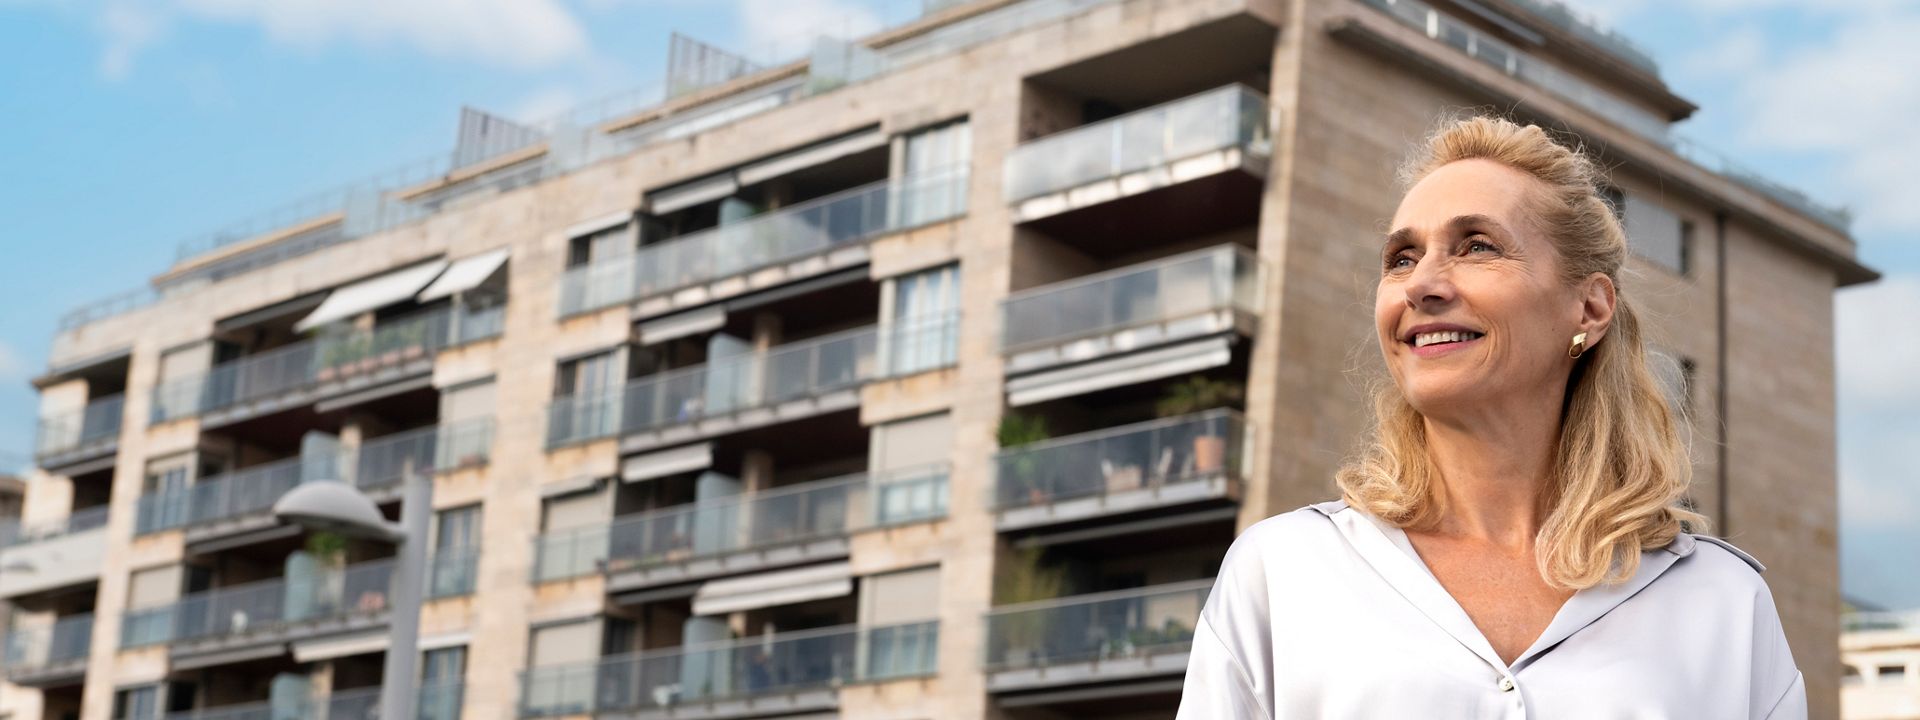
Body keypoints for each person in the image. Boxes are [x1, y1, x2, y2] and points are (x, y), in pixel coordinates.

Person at [1175, 116, 1804, 718]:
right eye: (1402, 258)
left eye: (1478, 246)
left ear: (1589, 308)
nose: (1422, 284)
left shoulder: (1724, 601)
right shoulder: (1282, 572)